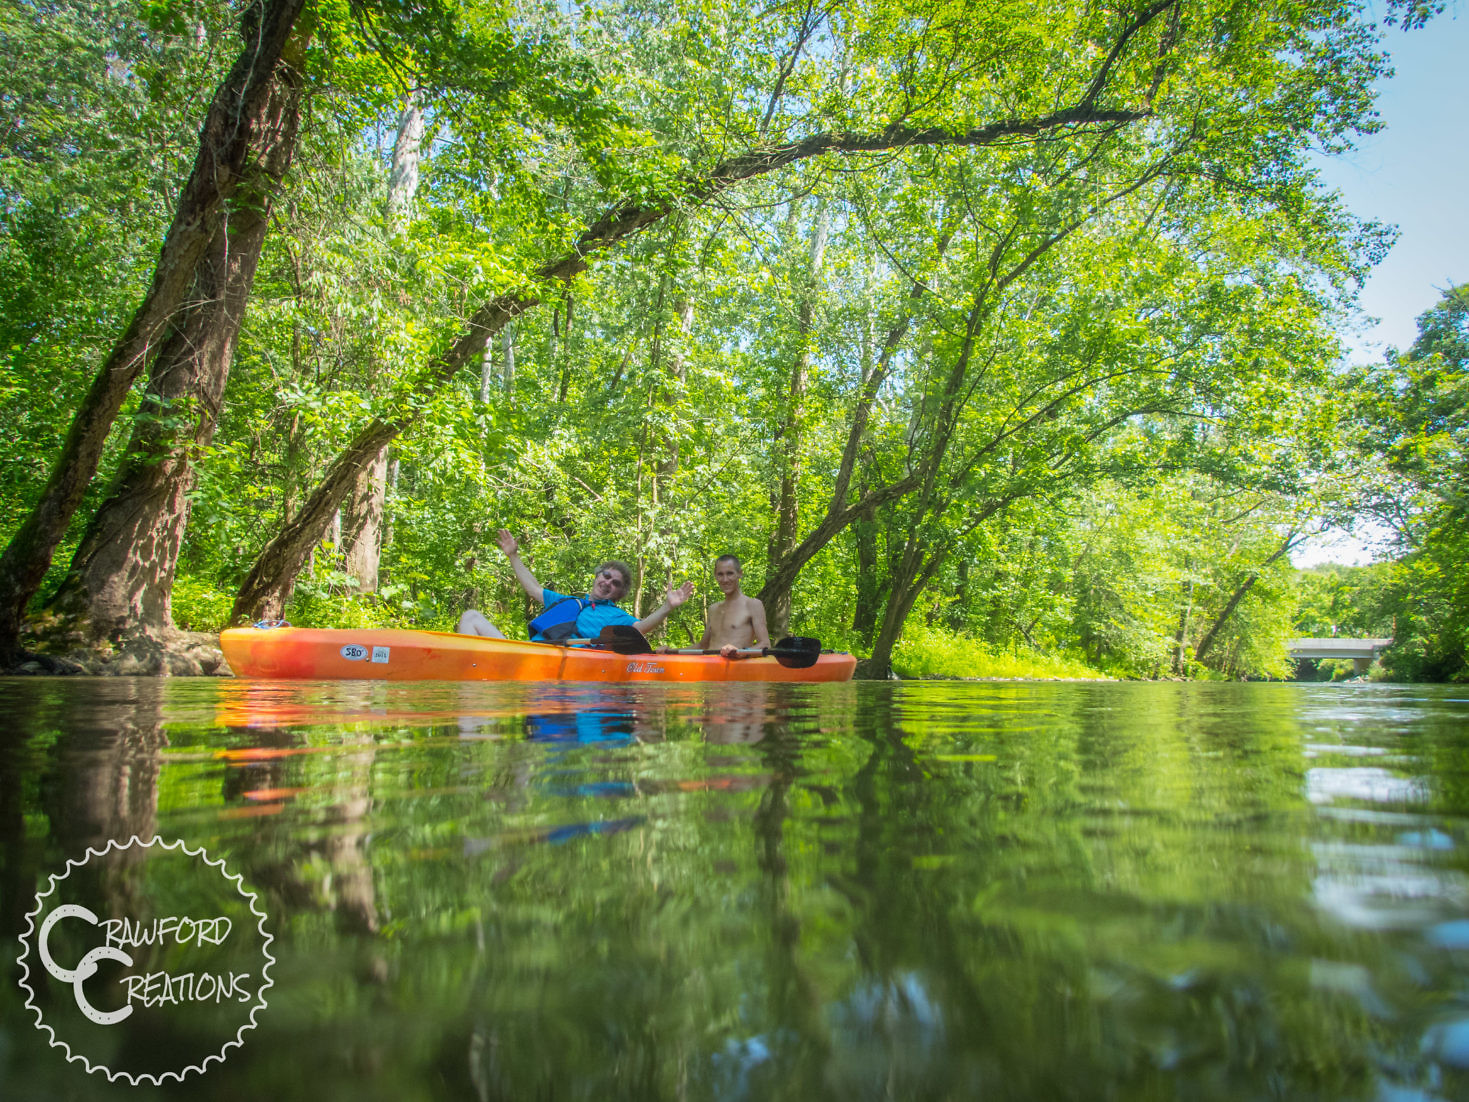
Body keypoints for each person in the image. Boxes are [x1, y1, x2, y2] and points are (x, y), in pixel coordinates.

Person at [456, 529, 693, 642]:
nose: (607, 582)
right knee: (471, 616)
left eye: (615, 583)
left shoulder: (616, 615)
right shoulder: (567, 602)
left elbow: (640, 627)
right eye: (606, 575)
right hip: (527, 654)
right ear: (597, 576)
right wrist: (513, 556)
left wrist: (667, 607)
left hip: (553, 662)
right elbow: (534, 589)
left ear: (619, 593)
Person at [699, 554, 771, 658]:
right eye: (720, 574)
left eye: (730, 573)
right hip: (709, 669)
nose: (725, 579)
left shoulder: (752, 605)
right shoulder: (713, 609)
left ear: (740, 573)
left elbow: (765, 645)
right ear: (715, 576)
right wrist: (669, 651)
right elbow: (702, 646)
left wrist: (740, 652)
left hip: (736, 670)